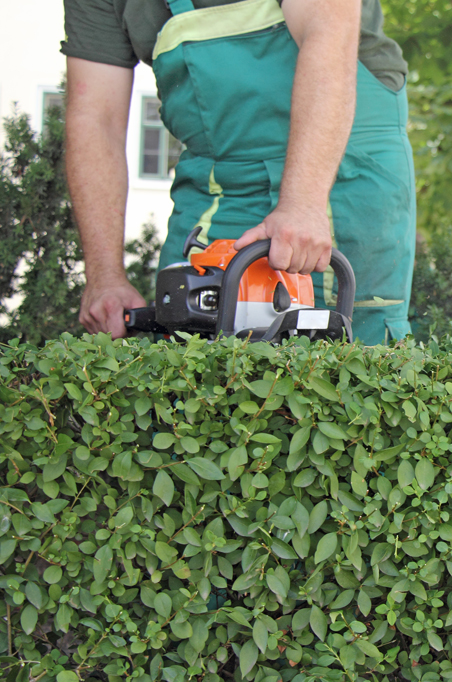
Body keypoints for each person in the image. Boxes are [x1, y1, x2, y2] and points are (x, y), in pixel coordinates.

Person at [62, 0, 415, 345]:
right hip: (216, 180)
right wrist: (104, 276)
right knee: (187, 339)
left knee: (353, 354)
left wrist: (304, 203)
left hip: (341, 163)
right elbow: (96, 119)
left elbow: (328, 32)